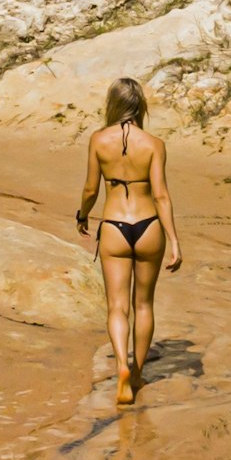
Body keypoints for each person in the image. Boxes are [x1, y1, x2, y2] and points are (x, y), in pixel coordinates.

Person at [72, 77, 181, 405]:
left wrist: (82, 215)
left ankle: (120, 365)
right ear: (141, 106)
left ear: (113, 105)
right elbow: (161, 195)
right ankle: (136, 374)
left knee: (117, 307)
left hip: (115, 226)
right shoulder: (154, 144)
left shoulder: (98, 140)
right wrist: (174, 241)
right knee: (144, 304)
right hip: (148, 227)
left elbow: (91, 188)